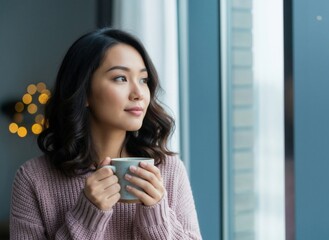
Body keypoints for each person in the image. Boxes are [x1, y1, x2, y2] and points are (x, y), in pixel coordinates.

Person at [10, 28, 202, 239]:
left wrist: (157, 216)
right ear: (84, 93)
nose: (138, 94)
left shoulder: (168, 170)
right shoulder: (34, 178)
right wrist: (87, 216)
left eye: (143, 80)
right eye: (120, 78)